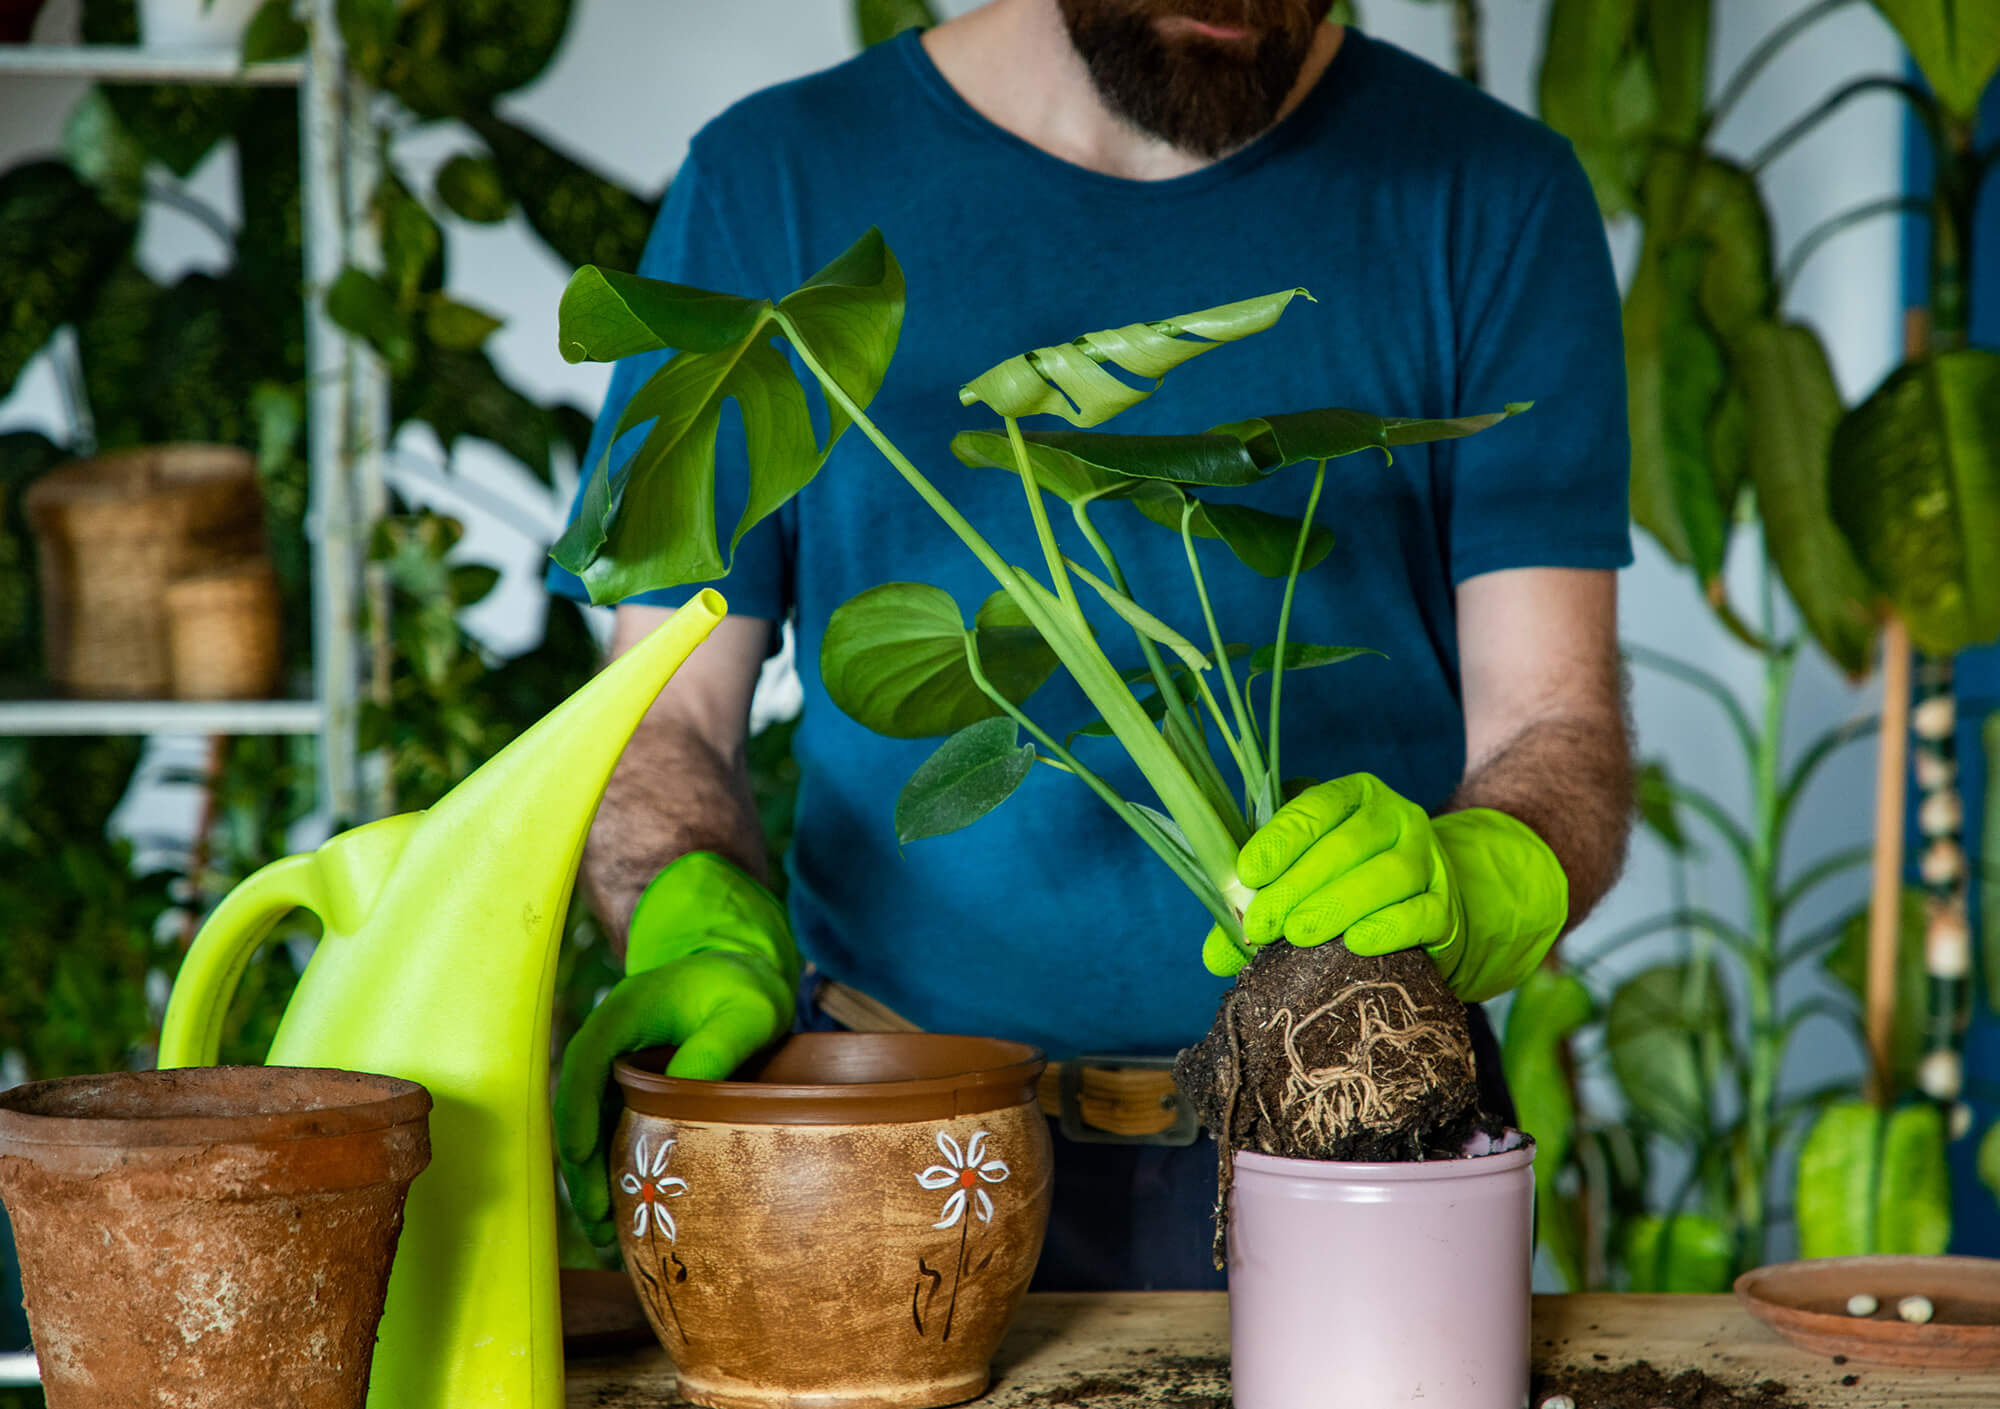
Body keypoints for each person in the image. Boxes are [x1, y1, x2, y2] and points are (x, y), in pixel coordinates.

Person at [548, 0, 1634, 1291]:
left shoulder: (1495, 195)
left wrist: (1490, 871)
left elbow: (1553, 726)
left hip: (1353, 1125)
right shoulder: (774, 187)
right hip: (894, 1133)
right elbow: (660, 719)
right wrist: (693, 917)